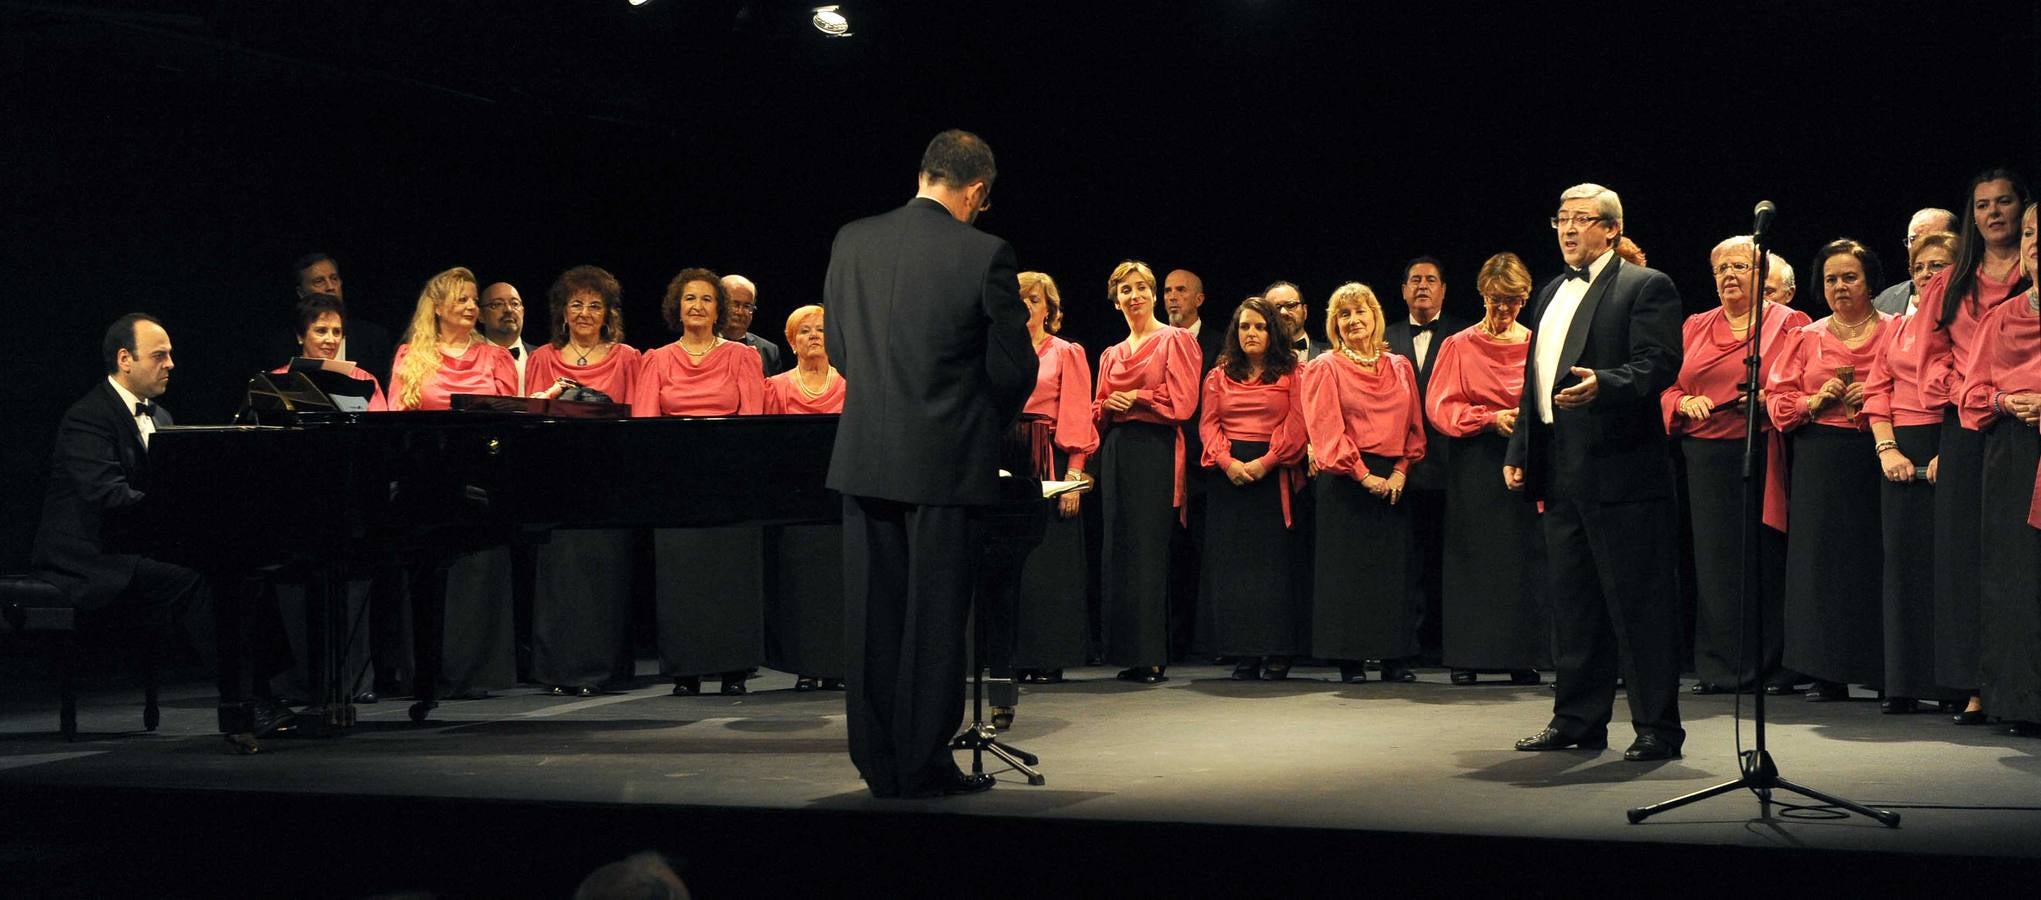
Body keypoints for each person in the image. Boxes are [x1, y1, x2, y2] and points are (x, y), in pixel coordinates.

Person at [823, 129, 1036, 798]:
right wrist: (971, 423)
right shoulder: (984, 253)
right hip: (945, 463)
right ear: (975, 190)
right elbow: (1012, 368)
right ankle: (921, 763)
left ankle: (876, 760)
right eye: (983, 200)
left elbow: (837, 346)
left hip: (863, 455)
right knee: (934, 620)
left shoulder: (850, 239)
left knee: (871, 620)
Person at [34, 314, 293, 738]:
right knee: (194, 580)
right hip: (89, 557)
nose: (171, 363)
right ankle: (240, 702)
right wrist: (179, 515)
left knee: (244, 568)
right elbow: (108, 496)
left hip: (136, 545)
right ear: (125, 359)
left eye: (170, 355)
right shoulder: (88, 416)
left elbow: (170, 492)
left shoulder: (164, 417)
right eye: (160, 355)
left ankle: (267, 689)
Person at [1505, 183, 1685, 762]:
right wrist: (1519, 449)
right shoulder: (1551, 291)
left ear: (1610, 228)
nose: (1567, 229)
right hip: (1560, 467)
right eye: (1560, 219)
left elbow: (1657, 364)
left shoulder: (1645, 286)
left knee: (1638, 604)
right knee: (1575, 602)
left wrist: (1603, 384)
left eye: (1581, 219)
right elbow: (1534, 379)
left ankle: (1657, 727)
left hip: (1621, 471)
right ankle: (1578, 719)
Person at [1664, 237, 1809, 695]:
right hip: (1705, 457)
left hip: (1765, 447)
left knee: (1764, 555)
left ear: (1762, 274)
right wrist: (1684, 401)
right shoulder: (1694, 325)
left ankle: (1773, 666)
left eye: (1740, 266)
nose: (1728, 275)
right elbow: (1664, 387)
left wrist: (1768, 399)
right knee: (1715, 562)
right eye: (1721, 268)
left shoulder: (1788, 323)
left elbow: (1803, 382)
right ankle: (1721, 666)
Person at [1921, 169, 2030, 726]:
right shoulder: (1953, 282)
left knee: (2010, 559)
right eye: (1983, 203)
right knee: (1964, 556)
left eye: (2004, 201)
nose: (1993, 212)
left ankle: (2014, 680)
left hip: (2022, 424)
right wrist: (1964, 385)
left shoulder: (2033, 275)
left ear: (2022, 207)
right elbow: (1929, 355)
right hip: (1968, 423)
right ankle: (1974, 684)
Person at [1764, 240, 1895, 704]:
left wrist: (1880, 400)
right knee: (1821, 563)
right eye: (1831, 279)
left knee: (1877, 558)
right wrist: (1813, 401)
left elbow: (1916, 389)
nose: (1840, 286)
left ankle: (1885, 668)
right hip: (1820, 453)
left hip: (1878, 452)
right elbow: (1777, 403)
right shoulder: (1807, 336)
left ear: (1870, 280)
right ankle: (1825, 671)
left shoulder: (1897, 330)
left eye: (1850, 277)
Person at [633, 267, 767, 696]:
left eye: (707, 299)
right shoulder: (655, 358)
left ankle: (734, 669)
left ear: (719, 310)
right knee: (682, 579)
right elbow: (644, 427)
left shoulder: (743, 357)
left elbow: (752, 425)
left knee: (731, 577)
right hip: (676, 487)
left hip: (729, 485)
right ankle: (685, 670)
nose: (697, 306)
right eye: (690, 298)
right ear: (678, 306)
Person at [389, 267, 521, 699]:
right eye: (461, 299)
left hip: (481, 478)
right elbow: (395, 419)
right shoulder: (411, 356)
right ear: (438, 307)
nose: (470, 306)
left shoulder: (495, 357)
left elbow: (510, 423)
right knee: (427, 575)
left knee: (476, 574)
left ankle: (475, 672)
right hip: (425, 478)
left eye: (472, 298)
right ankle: (426, 671)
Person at [1426, 252, 1549, 685]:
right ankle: (1468, 652)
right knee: (1473, 555)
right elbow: (1440, 406)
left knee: (1523, 555)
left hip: (1525, 456)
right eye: (1496, 299)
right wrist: (1488, 418)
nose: (1503, 309)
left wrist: (1524, 423)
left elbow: (1547, 399)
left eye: (1512, 301)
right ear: (1482, 294)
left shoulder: (1538, 342)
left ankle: (1522, 654)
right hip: (1476, 459)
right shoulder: (1459, 344)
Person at [524, 265, 641, 697]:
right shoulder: (541, 360)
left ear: (609, 313)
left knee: (604, 576)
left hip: (607, 482)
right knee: (559, 579)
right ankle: (557, 671)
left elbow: (637, 416)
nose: (586, 313)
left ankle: (603, 669)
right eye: (577, 305)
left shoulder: (629, 358)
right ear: (563, 313)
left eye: (596, 305)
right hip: (557, 482)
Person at [266, 294, 385, 704]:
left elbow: (380, 441)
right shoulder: (276, 379)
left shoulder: (364, 379)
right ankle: (309, 679)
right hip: (296, 505)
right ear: (301, 336)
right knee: (298, 590)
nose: (331, 339)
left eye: (336, 331)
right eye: (321, 330)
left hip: (350, 500)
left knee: (353, 588)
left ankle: (356, 681)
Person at [1303, 283, 1425, 683]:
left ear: (1375, 315)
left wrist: (1400, 471)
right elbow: (1326, 430)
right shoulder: (1325, 367)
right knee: (1347, 575)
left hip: (1394, 478)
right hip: (1346, 480)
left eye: (1361, 311)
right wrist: (1363, 475)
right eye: (1344, 314)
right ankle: (1349, 658)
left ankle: (1395, 655)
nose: (1354, 320)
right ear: (1334, 323)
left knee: (1394, 573)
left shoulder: (1400, 366)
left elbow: (1414, 428)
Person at [1866, 236, 1965, 715]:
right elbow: (1876, 390)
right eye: (1920, 267)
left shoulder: (1967, 324)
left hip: (1951, 445)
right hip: (1899, 451)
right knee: (1901, 568)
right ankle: (1902, 682)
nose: (1927, 275)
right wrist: (1886, 449)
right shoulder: (1897, 327)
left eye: (1939, 265)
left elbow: (1967, 391)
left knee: (1948, 571)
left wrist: (1954, 450)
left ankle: (1952, 685)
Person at [1094, 259, 1202, 685]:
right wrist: (1106, 405)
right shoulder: (1111, 353)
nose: (1134, 295)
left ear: (1154, 294)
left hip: (1155, 450)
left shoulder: (1175, 340)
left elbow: (1183, 401)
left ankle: (1152, 654)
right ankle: (1127, 653)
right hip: (1117, 450)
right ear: (1115, 299)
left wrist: (1135, 395)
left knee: (1147, 550)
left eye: (1141, 287)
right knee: (1118, 547)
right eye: (1125, 290)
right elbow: (1096, 407)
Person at [1957, 202, 2039, 736]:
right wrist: (2009, 403)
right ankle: (2022, 700)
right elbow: (1972, 393)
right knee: (2017, 579)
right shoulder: (2002, 317)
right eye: (2031, 232)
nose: (2034, 241)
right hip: (2015, 453)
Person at [1198, 296, 1307, 679]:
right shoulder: (1219, 373)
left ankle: (1276, 650)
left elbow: (1297, 424)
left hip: (1271, 474)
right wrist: (1228, 463)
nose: (1251, 333)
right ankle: (1244, 650)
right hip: (1230, 477)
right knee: (1235, 568)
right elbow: (1208, 425)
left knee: (1272, 569)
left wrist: (1266, 462)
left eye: (1259, 326)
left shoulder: (1292, 371)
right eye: (1245, 326)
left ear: (1273, 332)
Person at [1010, 272, 1097, 686]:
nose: (1026, 304)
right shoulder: (1000, 351)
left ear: (1049, 308)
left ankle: (1047, 655)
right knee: (1011, 560)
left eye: (1033, 298)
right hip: (1007, 455)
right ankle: (1010, 652)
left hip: (1050, 453)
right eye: (1019, 298)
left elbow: (1078, 411)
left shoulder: (1066, 352)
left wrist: (1074, 474)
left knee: (1049, 560)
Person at [1385, 256, 1469, 675]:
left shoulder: (1463, 334)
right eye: (1414, 279)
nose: (1422, 286)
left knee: (1451, 557)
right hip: (1398, 465)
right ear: (1402, 290)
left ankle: (1447, 642)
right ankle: (1408, 642)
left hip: (1452, 464)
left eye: (1431, 280)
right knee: (1404, 560)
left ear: (1443, 290)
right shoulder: (1384, 336)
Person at [762, 304, 848, 692]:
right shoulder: (774, 387)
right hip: (795, 505)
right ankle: (805, 666)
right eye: (805, 331)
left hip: (841, 501)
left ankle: (840, 663)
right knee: (801, 587)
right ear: (792, 341)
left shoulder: (851, 384)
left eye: (822, 330)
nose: (814, 336)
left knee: (839, 584)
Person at [1163, 268, 1222, 662]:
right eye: (1167, 291)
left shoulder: (1220, 345)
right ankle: (1169, 640)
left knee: (1204, 554)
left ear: (1199, 299)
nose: (1172, 298)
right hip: (1161, 462)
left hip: (1205, 467)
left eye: (1181, 291)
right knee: (1166, 555)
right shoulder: (1155, 342)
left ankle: (1207, 641)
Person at [290, 252, 394, 385]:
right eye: (319, 281)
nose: (330, 287)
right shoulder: (281, 345)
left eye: (334, 278)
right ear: (301, 292)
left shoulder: (373, 338)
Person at [1872, 208, 1960, 314]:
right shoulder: (1883, 302)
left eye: (1932, 238)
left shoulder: (1978, 299)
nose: (1921, 244)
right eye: (1913, 239)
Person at [478, 282, 537, 394]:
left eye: (515, 304)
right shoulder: (470, 359)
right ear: (481, 315)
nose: (509, 309)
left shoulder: (543, 358)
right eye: (497, 304)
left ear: (523, 312)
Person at [721, 273, 785, 376]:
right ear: (718, 303)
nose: (740, 312)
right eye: (734, 304)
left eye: (747, 306)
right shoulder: (700, 344)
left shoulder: (769, 351)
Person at [1266, 281, 1329, 362]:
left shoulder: (1332, 353)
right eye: (1275, 308)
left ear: (1305, 311)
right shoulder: (1258, 358)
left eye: (1290, 305)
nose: (1283, 312)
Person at [1901, 231, 1960, 314]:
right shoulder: (1900, 325)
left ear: (1960, 270)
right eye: (1918, 268)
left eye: (1937, 265)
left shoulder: (1979, 321)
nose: (1925, 274)